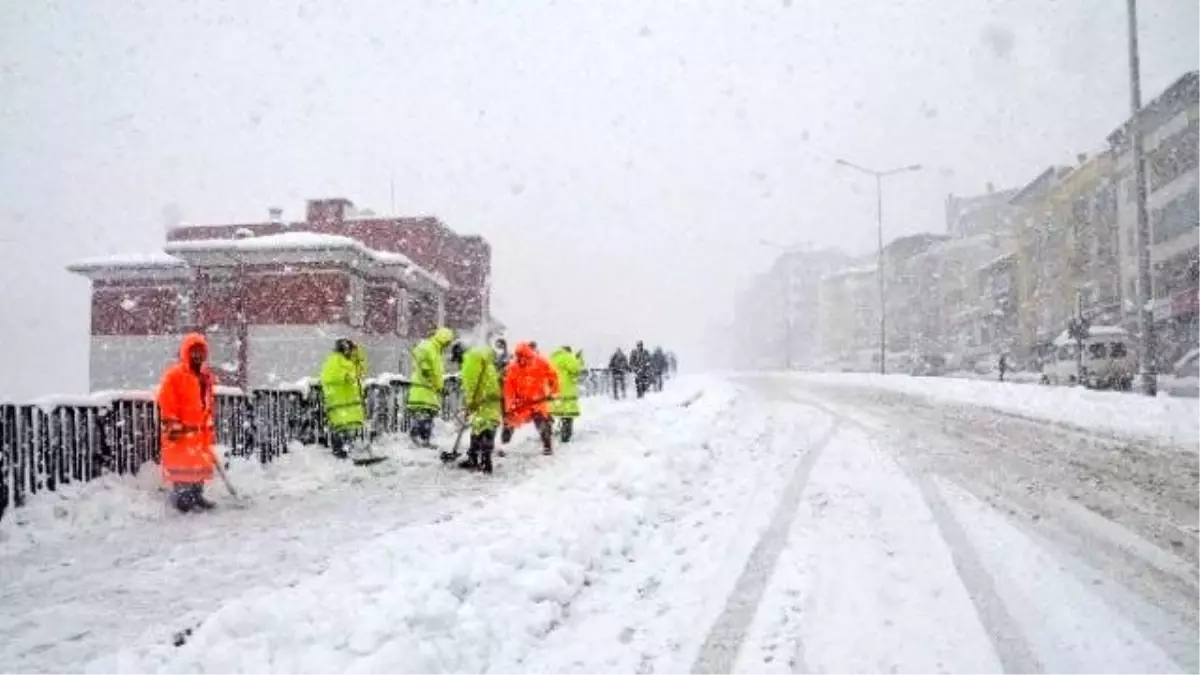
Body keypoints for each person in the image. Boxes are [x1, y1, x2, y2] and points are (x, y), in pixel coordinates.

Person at [157, 333, 218, 513]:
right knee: (182, 469)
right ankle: (182, 499)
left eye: (201, 351)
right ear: (186, 353)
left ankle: (197, 495)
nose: (198, 355)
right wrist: (173, 423)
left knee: (198, 466)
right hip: (182, 432)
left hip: (199, 432)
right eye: (194, 352)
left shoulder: (205, 377)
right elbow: (166, 401)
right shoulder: (175, 375)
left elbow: (207, 403)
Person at [502, 342, 560, 454]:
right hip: (521, 403)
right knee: (509, 422)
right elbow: (508, 388)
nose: (520, 360)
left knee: (542, 423)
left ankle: (547, 447)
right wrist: (510, 405)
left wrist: (554, 392)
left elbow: (553, 377)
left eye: (522, 356)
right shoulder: (513, 367)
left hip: (537, 401)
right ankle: (504, 446)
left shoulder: (540, 362)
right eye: (518, 356)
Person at [406, 326, 458, 448]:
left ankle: (424, 440)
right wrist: (424, 367)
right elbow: (420, 354)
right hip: (422, 388)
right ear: (442, 339)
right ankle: (417, 437)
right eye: (447, 342)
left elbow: (437, 374)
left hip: (430, 390)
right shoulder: (428, 346)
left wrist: (440, 387)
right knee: (423, 415)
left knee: (428, 416)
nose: (447, 346)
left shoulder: (436, 351)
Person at [456, 342, 504, 473]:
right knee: (487, 427)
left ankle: (476, 459)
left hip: (482, 399)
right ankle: (484, 458)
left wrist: (471, 402)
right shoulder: (484, 362)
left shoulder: (469, 361)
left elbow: (471, 384)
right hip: (492, 399)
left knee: (479, 428)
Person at [320, 338, 366, 459]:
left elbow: (360, 371)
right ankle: (341, 455)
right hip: (340, 405)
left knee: (347, 432)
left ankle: (347, 455)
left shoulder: (347, 362)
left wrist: (358, 357)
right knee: (341, 433)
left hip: (346, 406)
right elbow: (328, 377)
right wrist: (344, 376)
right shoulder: (336, 360)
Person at [549, 345, 585, 443]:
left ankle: (547, 431)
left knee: (554, 411)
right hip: (566, 390)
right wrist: (579, 359)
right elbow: (576, 370)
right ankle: (565, 436)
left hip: (553, 390)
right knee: (567, 414)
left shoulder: (552, 358)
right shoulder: (568, 357)